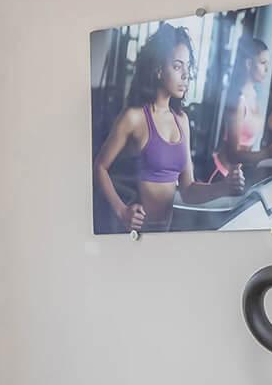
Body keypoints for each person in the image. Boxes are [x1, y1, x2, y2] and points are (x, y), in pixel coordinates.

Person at [93, 23, 245, 231]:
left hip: (164, 235)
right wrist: (121, 211)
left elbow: (188, 189)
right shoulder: (135, 118)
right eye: (177, 66)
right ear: (158, 70)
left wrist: (223, 187)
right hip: (134, 235)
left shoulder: (181, 121)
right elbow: (99, 167)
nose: (185, 75)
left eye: (188, 66)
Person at [215, 36, 272, 175]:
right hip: (221, 174)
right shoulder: (238, 99)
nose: (267, 69)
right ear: (248, 64)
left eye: (267, 64)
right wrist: (267, 153)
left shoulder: (253, 94)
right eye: (263, 62)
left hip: (237, 175)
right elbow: (232, 155)